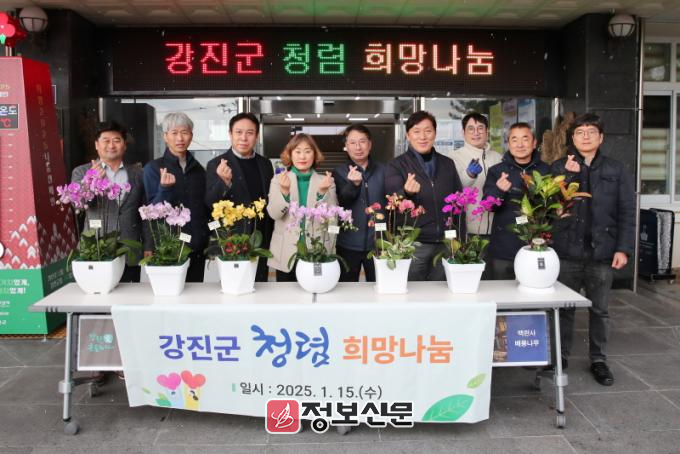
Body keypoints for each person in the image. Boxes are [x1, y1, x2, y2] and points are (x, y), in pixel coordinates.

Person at [551, 113, 635, 386]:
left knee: (600, 310)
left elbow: (627, 211)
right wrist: (567, 176)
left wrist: (623, 249)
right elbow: (549, 206)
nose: (585, 136)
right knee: (564, 308)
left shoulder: (616, 169)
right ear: (572, 138)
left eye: (591, 132)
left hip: (602, 252)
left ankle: (598, 359)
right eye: (580, 132)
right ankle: (560, 357)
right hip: (567, 251)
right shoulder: (559, 166)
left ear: (601, 138)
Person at [385, 110, 464, 281]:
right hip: (414, 244)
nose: (422, 137)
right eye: (416, 131)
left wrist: (460, 239)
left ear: (435, 133)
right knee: (412, 291)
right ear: (408, 135)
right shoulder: (397, 165)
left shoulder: (447, 163)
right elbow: (392, 202)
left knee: (443, 291)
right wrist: (406, 193)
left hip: (446, 243)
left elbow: (459, 203)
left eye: (428, 131)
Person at [71, 121, 148, 282]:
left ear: (124, 145)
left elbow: (145, 213)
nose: (111, 145)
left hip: (129, 251)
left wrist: (148, 245)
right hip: (95, 250)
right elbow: (78, 204)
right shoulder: (82, 172)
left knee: (129, 295)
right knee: (96, 295)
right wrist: (90, 182)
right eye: (106, 140)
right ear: (96, 145)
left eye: (116, 140)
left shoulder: (138, 173)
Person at [205, 113, 274, 282]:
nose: (244, 138)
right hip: (232, 240)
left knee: (260, 286)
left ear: (256, 136)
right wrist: (224, 182)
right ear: (230, 134)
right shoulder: (216, 164)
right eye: (238, 132)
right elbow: (209, 203)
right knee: (233, 286)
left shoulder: (265, 164)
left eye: (250, 133)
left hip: (260, 238)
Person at [143, 112, 208, 282]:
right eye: (174, 133)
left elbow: (204, 207)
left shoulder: (199, 169)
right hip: (168, 247)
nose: (180, 138)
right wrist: (164, 189)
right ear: (165, 136)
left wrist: (210, 240)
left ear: (191, 136)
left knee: (195, 293)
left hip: (197, 247)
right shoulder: (153, 168)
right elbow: (149, 212)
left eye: (184, 132)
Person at [482, 122, 550, 280]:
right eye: (514, 139)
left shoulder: (546, 170)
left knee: (535, 289)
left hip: (536, 246)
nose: (520, 144)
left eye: (525, 139)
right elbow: (488, 206)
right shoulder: (497, 171)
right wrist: (499, 191)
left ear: (534, 143)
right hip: (504, 248)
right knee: (502, 292)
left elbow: (552, 207)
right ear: (508, 143)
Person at [267, 134, 337, 282]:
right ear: (290, 154)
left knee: (314, 292)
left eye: (307, 151)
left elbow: (332, 218)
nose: (302, 156)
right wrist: (284, 192)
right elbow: (274, 214)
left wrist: (321, 193)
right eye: (297, 151)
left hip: (315, 252)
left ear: (314, 155)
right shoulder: (278, 180)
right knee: (286, 294)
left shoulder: (326, 181)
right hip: (286, 252)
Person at [332, 124, 385, 282]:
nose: (358, 147)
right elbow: (341, 202)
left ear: (370, 144)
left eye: (362, 141)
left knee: (380, 286)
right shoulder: (339, 172)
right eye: (353, 142)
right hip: (347, 244)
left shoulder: (384, 170)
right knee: (346, 290)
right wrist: (353, 185)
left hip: (378, 244)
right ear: (346, 146)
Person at [447, 112, 502, 237]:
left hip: (496, 228)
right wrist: (469, 174)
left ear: (487, 131)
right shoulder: (453, 157)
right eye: (471, 129)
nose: (476, 133)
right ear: (463, 132)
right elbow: (452, 188)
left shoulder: (498, 157)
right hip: (468, 230)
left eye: (480, 128)